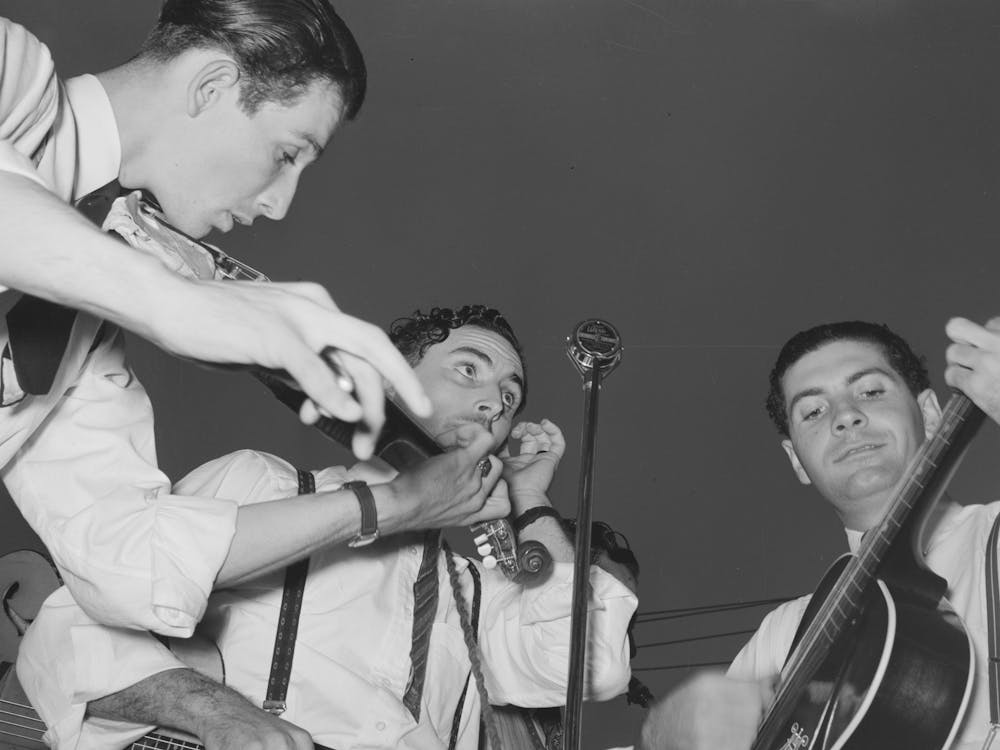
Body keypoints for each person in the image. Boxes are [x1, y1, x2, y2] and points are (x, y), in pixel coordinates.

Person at [0, 1, 507, 645]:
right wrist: (170, 300)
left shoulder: (84, 338)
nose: (279, 204)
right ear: (211, 85)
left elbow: (128, 559)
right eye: (286, 154)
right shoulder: (11, 70)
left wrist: (392, 503)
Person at [17, 305, 639, 750]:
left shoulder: (475, 594)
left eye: (509, 399)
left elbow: (584, 664)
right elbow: (70, 632)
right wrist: (213, 713)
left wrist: (530, 498)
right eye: (469, 371)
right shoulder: (261, 484)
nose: (492, 405)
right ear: (390, 379)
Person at [638, 317, 1000, 750]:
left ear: (929, 413)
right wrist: (663, 736)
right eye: (813, 411)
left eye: (870, 391)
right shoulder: (785, 636)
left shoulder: (993, 539)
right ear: (795, 459)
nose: (846, 416)